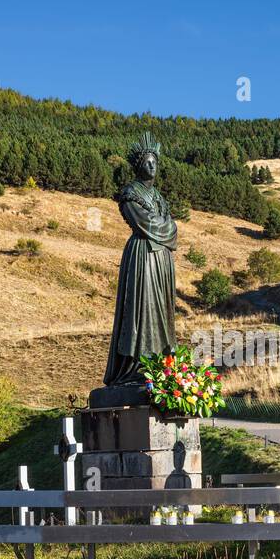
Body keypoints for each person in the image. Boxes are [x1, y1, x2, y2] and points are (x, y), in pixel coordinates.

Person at [103, 131, 178, 389]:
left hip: (161, 261)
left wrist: (167, 230)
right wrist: (167, 230)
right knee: (141, 307)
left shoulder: (159, 197)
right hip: (143, 257)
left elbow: (171, 227)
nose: (152, 165)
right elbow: (146, 224)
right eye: (147, 161)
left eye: (155, 161)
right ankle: (136, 366)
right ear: (138, 166)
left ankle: (159, 363)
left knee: (161, 313)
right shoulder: (130, 193)